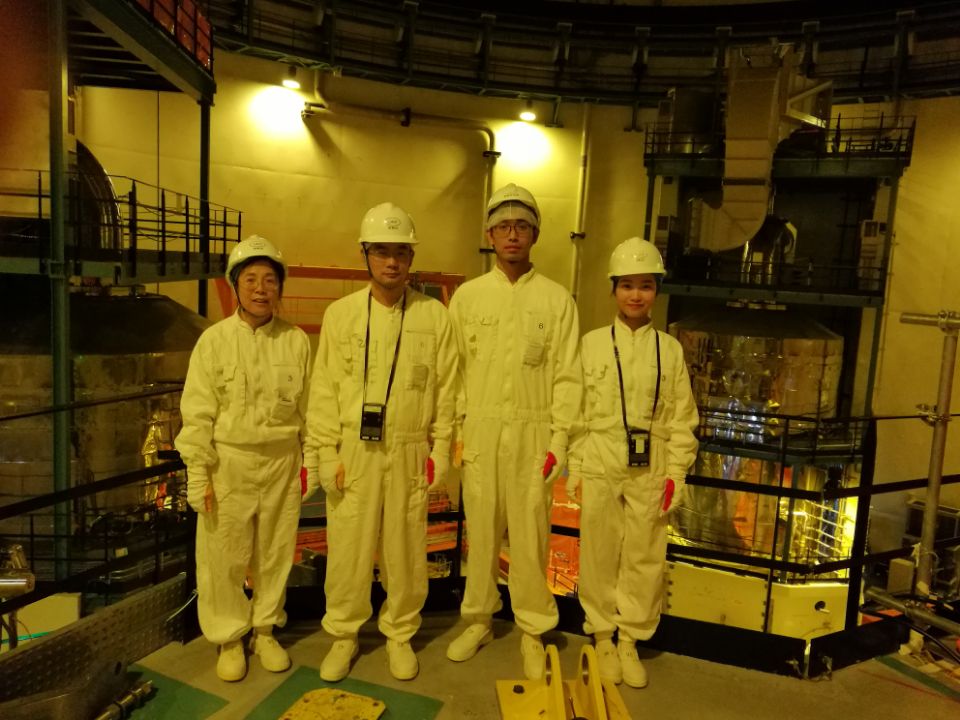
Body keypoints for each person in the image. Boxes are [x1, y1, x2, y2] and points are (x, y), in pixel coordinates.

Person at [305, 202, 457, 682]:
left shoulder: (435, 317)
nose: (392, 262)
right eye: (382, 252)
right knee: (348, 548)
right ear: (365, 255)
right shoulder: (341, 316)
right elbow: (324, 390)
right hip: (355, 450)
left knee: (405, 549)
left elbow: (448, 391)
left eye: (401, 252)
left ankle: (399, 633)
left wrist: (440, 450)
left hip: (410, 449)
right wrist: (324, 452)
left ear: (411, 258)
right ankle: (344, 635)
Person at [446, 183, 582, 680]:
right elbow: (453, 371)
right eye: (503, 226)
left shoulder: (555, 300)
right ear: (489, 234)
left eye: (521, 226)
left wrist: (558, 441)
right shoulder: (468, 297)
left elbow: (568, 376)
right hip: (481, 432)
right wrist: (457, 432)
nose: (512, 235)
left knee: (531, 535)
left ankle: (532, 628)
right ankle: (479, 620)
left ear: (535, 234)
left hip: (533, 434)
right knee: (481, 534)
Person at [176, 234, 312, 682]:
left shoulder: (295, 341)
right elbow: (197, 412)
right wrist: (198, 473)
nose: (260, 288)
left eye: (269, 280)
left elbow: (310, 408)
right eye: (250, 279)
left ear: (280, 287)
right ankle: (230, 637)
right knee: (224, 556)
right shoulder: (213, 342)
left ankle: (265, 629)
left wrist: (311, 462)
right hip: (228, 463)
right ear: (235, 285)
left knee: (276, 553)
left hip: (282, 463)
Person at [567, 236, 699, 688]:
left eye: (645, 285)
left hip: (652, 461)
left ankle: (630, 639)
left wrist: (676, 473)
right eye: (627, 285)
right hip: (601, 456)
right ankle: (603, 636)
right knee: (599, 551)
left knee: (645, 554)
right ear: (613, 290)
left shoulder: (670, 349)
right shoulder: (591, 344)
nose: (636, 295)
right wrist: (576, 468)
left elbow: (682, 418)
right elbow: (578, 412)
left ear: (656, 290)